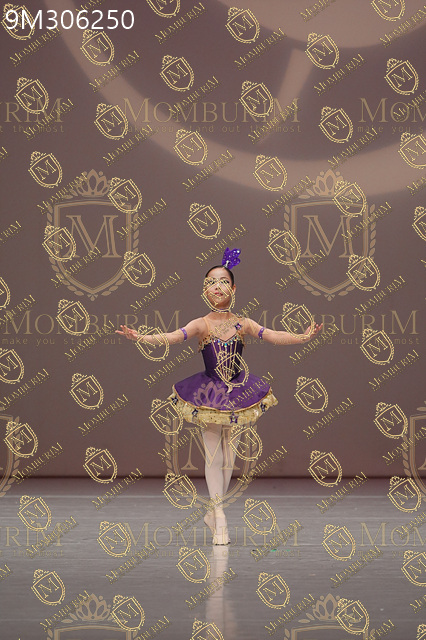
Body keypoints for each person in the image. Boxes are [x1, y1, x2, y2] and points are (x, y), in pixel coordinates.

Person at [116, 248, 322, 545]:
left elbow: (273, 335)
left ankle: (214, 512)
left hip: (239, 393)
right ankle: (220, 516)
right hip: (209, 393)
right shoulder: (201, 324)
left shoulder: (243, 323)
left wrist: (302, 337)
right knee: (214, 454)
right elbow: (172, 337)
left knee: (229, 458)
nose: (217, 286)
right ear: (205, 290)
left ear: (233, 289)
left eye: (223, 281)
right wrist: (141, 337)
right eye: (211, 282)